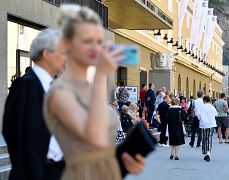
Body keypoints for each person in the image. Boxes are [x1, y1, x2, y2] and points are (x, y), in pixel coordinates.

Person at [43, 4, 144, 180]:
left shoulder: (87, 88)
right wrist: (100, 76)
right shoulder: (60, 92)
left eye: (99, 41)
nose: (96, 49)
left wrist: (123, 162)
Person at [2, 28, 65, 180]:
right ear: (47, 54)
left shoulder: (52, 87)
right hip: (37, 173)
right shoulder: (26, 85)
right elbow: (12, 131)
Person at [199, 95, 218, 162]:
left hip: (203, 124)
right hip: (211, 124)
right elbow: (216, 114)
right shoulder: (212, 107)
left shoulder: (201, 107)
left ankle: (204, 153)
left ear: (204, 100)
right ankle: (208, 153)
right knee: (209, 138)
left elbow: (198, 115)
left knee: (204, 139)